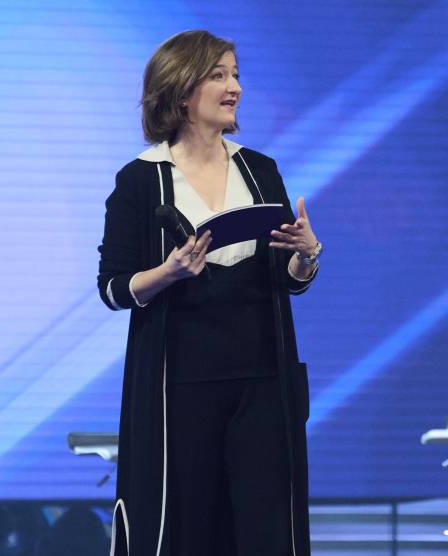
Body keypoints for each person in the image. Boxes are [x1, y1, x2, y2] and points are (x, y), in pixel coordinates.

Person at [97, 30, 321, 556]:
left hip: (263, 380)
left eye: (236, 75)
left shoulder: (259, 170)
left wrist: (307, 254)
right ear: (180, 91)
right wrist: (168, 272)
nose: (234, 87)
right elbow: (113, 287)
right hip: (179, 385)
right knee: (187, 529)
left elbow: (286, 278)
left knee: (266, 528)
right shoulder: (140, 180)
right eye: (218, 75)